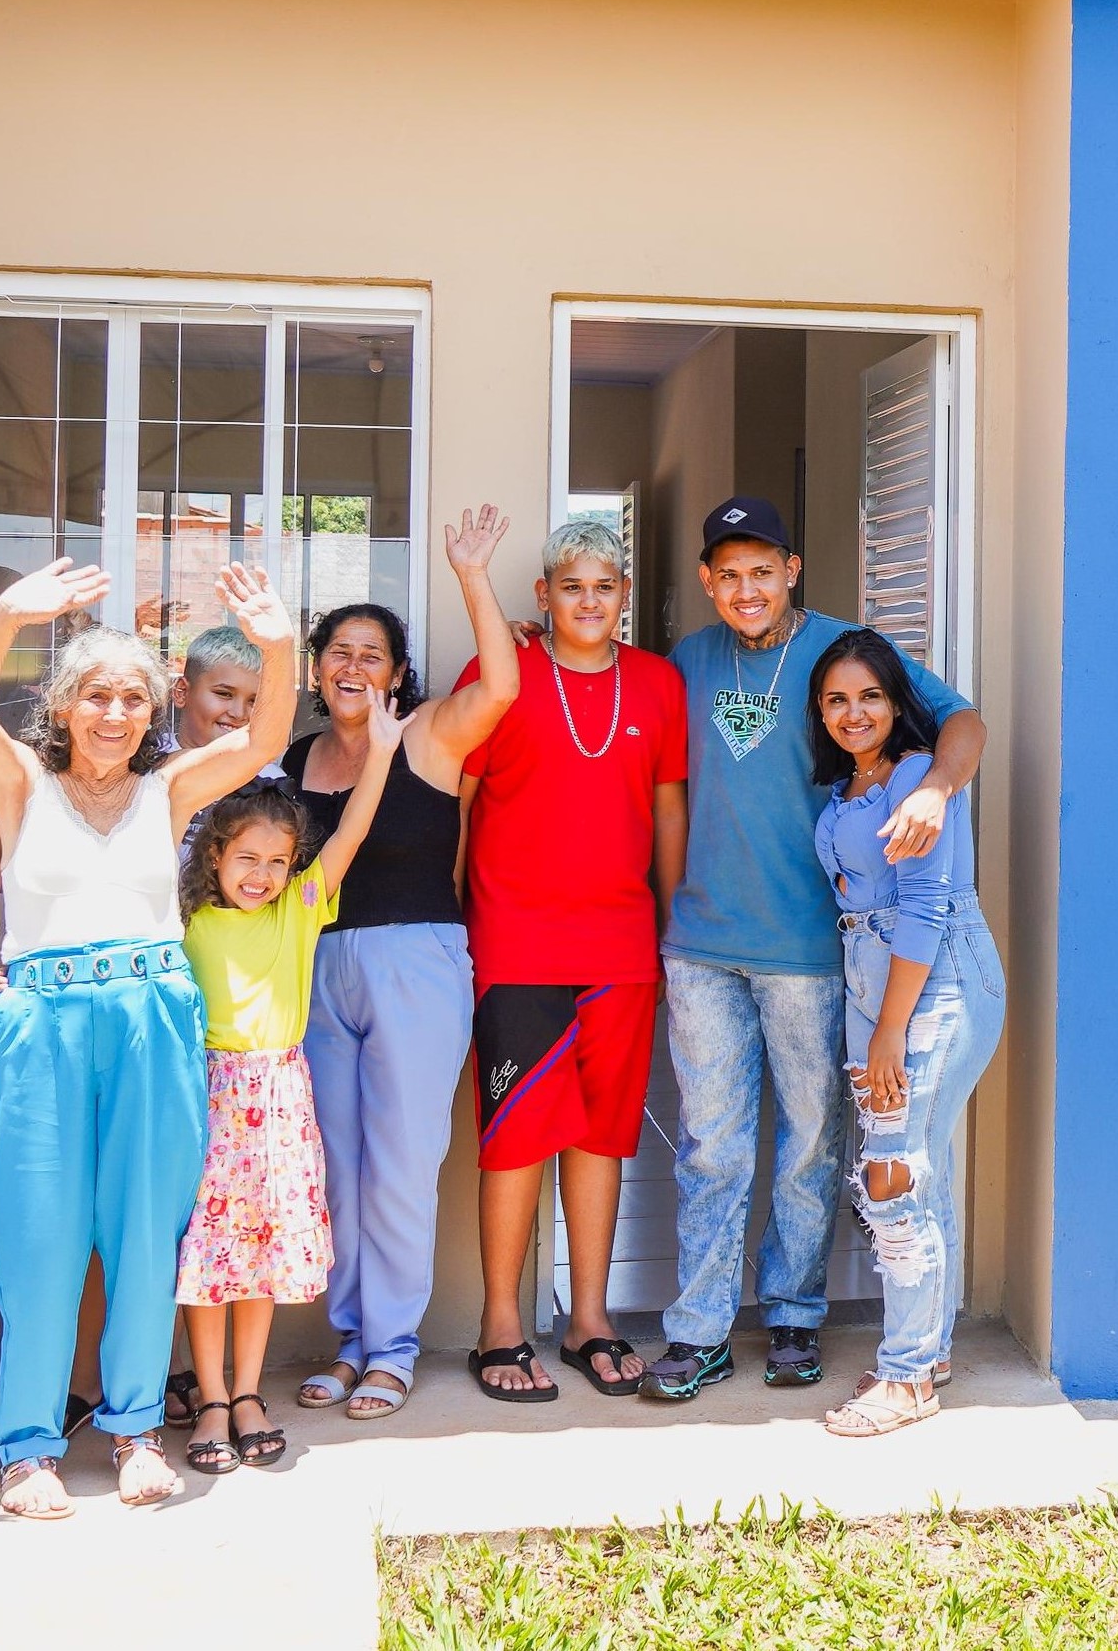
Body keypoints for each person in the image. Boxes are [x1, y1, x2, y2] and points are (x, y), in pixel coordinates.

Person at [0, 557, 296, 1516]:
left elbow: (267, 729)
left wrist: (275, 643)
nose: (113, 714)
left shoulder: (170, 790)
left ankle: (137, 1431)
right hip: (43, 1024)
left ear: (153, 713)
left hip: (151, 1019)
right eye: (95, 695)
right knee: (37, 1234)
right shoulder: (21, 783)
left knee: (146, 1232)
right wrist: (8, 618)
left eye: (133, 698)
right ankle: (29, 1449)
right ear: (63, 707)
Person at [642, 496, 985, 1401]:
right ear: (708, 582)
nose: (745, 589)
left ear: (791, 570)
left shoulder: (844, 656)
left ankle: (793, 1315)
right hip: (701, 943)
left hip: (807, 950)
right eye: (727, 574)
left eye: (763, 571)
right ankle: (699, 1330)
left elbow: (961, 721)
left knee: (807, 1144)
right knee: (710, 1146)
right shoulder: (688, 659)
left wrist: (937, 792)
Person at [286, 503, 519, 1421]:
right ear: (316, 670)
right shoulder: (295, 759)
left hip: (417, 961)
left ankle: (391, 1348)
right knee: (335, 1163)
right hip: (319, 969)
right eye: (337, 652)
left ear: (397, 675)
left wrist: (470, 574)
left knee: (400, 1163)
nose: (352, 666)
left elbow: (500, 688)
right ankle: (350, 1341)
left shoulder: (426, 735)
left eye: (371, 654)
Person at [456, 522, 687, 1402]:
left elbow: (668, 812)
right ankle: (501, 1326)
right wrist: (452, 919)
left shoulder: (657, 683)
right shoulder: (499, 674)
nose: (587, 600)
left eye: (603, 586)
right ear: (543, 595)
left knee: (600, 1135)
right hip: (516, 941)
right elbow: (461, 799)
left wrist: (669, 925)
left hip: (621, 945)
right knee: (515, 1136)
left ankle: (588, 1317)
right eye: (570, 585)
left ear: (622, 595)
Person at [175, 688, 405, 1473]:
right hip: (206, 1098)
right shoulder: (187, 921)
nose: (261, 874)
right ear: (213, 855)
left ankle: (246, 1392)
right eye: (246, 858)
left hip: (278, 1101)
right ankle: (208, 1397)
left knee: (261, 1255)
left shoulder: (301, 907)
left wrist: (379, 751)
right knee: (206, 1259)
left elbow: (352, 830)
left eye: (276, 862)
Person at [808, 629, 1005, 1434]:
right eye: (835, 700)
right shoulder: (854, 785)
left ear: (898, 703)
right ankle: (927, 1352)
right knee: (917, 1165)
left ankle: (905, 1379)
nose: (853, 713)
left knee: (891, 1173)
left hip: (931, 984)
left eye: (870, 697)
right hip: (874, 981)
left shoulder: (917, 778)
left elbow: (924, 908)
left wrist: (888, 1031)